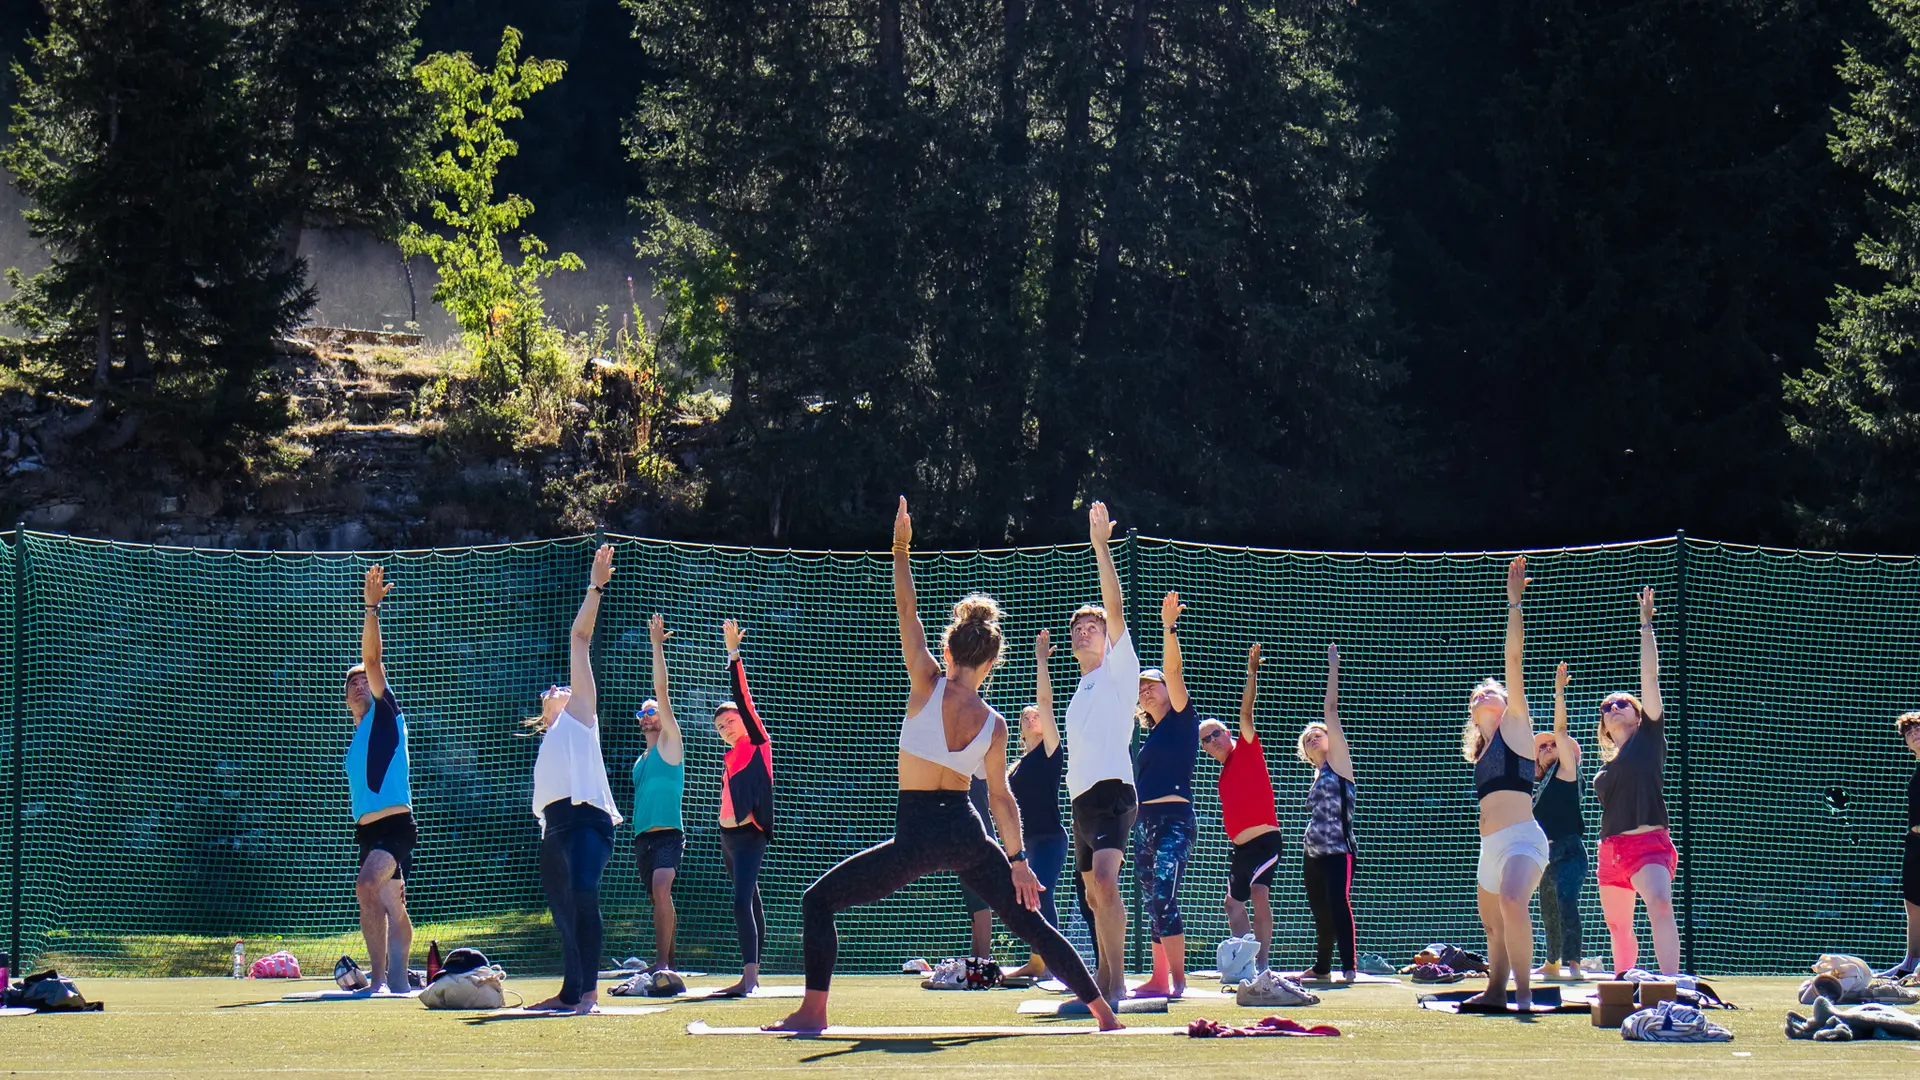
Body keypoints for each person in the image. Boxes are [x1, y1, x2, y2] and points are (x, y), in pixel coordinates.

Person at [768, 497, 1120, 1031]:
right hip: (965, 832)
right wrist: (1019, 861)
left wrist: (902, 545)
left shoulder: (926, 683)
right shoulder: (996, 723)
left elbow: (906, 610)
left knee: (818, 902)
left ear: (949, 650)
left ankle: (813, 1011)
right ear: (992, 661)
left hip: (915, 835)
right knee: (1032, 924)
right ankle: (1103, 1014)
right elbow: (1000, 799)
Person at [525, 544, 624, 1014]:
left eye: (563, 687)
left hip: (587, 823)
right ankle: (569, 992)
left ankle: (588, 994)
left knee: (583, 894)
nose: (560, 690)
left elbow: (579, 638)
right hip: (555, 828)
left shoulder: (580, 716)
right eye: (552, 691)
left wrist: (595, 586)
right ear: (542, 712)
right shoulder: (549, 739)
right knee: (563, 912)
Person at [1461, 555, 1549, 1012]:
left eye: (1492, 691)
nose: (1485, 695)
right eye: (1478, 694)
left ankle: (1524, 996)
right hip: (1490, 847)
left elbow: (1513, 659)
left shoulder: (1517, 725)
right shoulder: (1479, 750)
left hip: (1522, 840)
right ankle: (1495, 991)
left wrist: (1514, 602)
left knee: (1514, 902)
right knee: (1492, 926)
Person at [1063, 501, 1139, 1003]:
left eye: (1092, 626)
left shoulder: (1119, 672)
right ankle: (1105, 981)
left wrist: (1100, 548)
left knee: (1107, 884)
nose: (1085, 629)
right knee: (1092, 895)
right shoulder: (1077, 693)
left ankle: (1115, 985)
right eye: (1078, 628)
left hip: (1114, 793)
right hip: (1081, 804)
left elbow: (1114, 608)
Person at [1592, 587, 1679, 976]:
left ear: (1639, 713)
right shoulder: (1607, 765)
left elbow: (1650, 677)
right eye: (1606, 708)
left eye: (1621, 702)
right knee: (1617, 926)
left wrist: (1647, 627)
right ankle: (1624, 985)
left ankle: (1674, 987)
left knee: (1660, 904)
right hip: (1611, 851)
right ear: (1605, 728)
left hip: (1648, 844)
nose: (1613, 708)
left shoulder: (1649, 737)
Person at [343, 564, 415, 995]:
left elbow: (372, 659)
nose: (359, 685)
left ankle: (380, 979)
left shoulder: (386, 714)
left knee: (367, 886)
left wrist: (371, 608)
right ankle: (396, 979)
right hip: (366, 832)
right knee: (387, 901)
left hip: (395, 826)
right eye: (351, 683)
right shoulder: (354, 741)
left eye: (363, 681)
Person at [1129, 590, 1200, 998]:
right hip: (1146, 824)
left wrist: (1168, 628)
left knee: (1163, 895)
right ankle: (1157, 979)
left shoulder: (1181, 717)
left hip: (1175, 821)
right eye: (1141, 689)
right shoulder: (1150, 736)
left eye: (1150, 684)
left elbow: (1173, 673)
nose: (1146, 690)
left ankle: (1179, 982)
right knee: (1151, 902)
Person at [1201, 643, 1284, 970]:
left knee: (1258, 892)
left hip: (1265, 841)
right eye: (1206, 740)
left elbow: (1246, 712)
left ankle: (1262, 964)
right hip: (1239, 849)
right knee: (1233, 904)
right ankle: (1244, 964)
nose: (1212, 742)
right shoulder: (1223, 775)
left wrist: (1251, 673)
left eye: (1216, 733)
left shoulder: (1247, 749)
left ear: (1228, 734)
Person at [713, 616, 773, 997]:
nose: (727, 728)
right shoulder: (730, 756)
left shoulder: (756, 743)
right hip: (727, 837)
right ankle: (756, 970)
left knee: (740, 901)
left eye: (730, 720)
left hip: (750, 835)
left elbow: (744, 696)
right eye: (720, 727)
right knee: (749, 899)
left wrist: (733, 654)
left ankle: (748, 978)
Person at [1004, 632, 1067, 981]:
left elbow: (1045, 702)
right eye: (1025, 716)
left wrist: (1041, 661)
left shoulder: (1050, 752)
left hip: (1050, 838)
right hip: (1025, 844)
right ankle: (1041, 961)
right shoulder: (1014, 767)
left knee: (1041, 893)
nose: (1031, 717)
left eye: (1036, 715)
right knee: (1030, 898)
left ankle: (1047, 964)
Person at [1300, 642, 1357, 982]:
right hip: (1313, 852)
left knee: (1339, 904)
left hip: (1339, 850)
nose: (1313, 738)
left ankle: (1349, 967)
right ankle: (1322, 967)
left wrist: (1333, 667)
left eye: (1318, 734)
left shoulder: (1340, 766)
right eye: (1307, 739)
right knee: (1319, 910)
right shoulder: (1317, 774)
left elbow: (1331, 710)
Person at [631, 613, 684, 973]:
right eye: (643, 712)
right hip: (641, 839)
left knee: (662, 888)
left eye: (653, 711)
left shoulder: (671, 744)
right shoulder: (640, 761)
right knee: (657, 898)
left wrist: (656, 646)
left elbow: (662, 691)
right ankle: (667, 960)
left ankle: (662, 962)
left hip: (668, 833)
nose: (648, 715)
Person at [1532, 661, 1587, 980]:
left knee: (1567, 901)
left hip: (1570, 851)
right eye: (1543, 746)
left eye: (1554, 745)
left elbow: (1562, 732)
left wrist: (1558, 693)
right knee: (1547, 910)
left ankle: (1574, 965)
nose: (1550, 746)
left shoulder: (1566, 773)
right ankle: (1552, 963)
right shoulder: (1535, 788)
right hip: (1544, 854)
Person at [1882, 712, 1920, 978]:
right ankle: (1909, 963)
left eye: (1918, 729)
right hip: (1915, 843)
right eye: (1909, 732)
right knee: (1913, 904)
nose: (1914, 734)